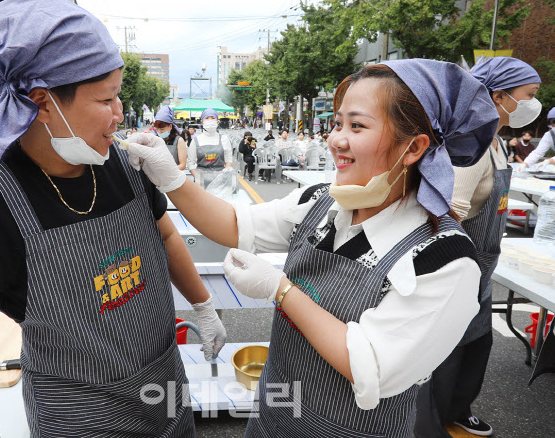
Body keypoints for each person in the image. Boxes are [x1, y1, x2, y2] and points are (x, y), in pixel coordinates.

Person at [124, 59, 497, 437]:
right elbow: (235, 224)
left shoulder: (446, 260)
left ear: (414, 146)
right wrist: (171, 178)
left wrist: (281, 291)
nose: (336, 139)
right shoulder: (320, 203)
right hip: (273, 421)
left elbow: (371, 365)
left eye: (357, 125)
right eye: (337, 123)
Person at [0, 0, 226, 438]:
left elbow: (164, 236)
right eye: (107, 99)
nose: (120, 115)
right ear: (43, 102)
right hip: (80, 417)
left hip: (166, 396)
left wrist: (202, 305)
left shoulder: (122, 164)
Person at [415, 56, 541, 438]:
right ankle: (430, 424)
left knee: (475, 343)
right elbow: (446, 212)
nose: (533, 104)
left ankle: (457, 410)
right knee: (447, 351)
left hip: (483, 263)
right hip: (459, 267)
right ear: (499, 95)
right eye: (529, 95)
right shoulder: (472, 147)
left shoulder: (495, 142)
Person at [186, 108, 232, 179]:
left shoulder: (224, 139)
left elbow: (228, 159)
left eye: (213, 118)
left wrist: (224, 174)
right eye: (207, 118)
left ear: (217, 122)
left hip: (220, 178)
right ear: (202, 122)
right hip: (201, 178)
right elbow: (191, 163)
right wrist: (199, 179)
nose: (210, 120)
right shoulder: (196, 140)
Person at [153, 106, 187, 170]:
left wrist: (168, 172)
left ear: (170, 126)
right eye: (157, 129)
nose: (159, 132)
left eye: (162, 129)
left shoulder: (178, 141)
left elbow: (182, 165)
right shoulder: (154, 140)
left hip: (174, 177)